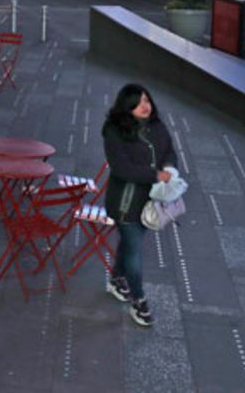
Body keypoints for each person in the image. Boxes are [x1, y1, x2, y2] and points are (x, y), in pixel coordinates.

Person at [102, 84, 179, 328]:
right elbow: (122, 169)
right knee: (134, 252)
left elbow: (169, 152)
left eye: (147, 100)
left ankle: (115, 280)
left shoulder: (157, 126)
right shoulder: (114, 130)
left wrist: (169, 168)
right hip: (126, 202)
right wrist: (156, 175)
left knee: (128, 243)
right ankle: (139, 301)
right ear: (126, 107)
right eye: (137, 103)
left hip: (151, 201)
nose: (145, 106)